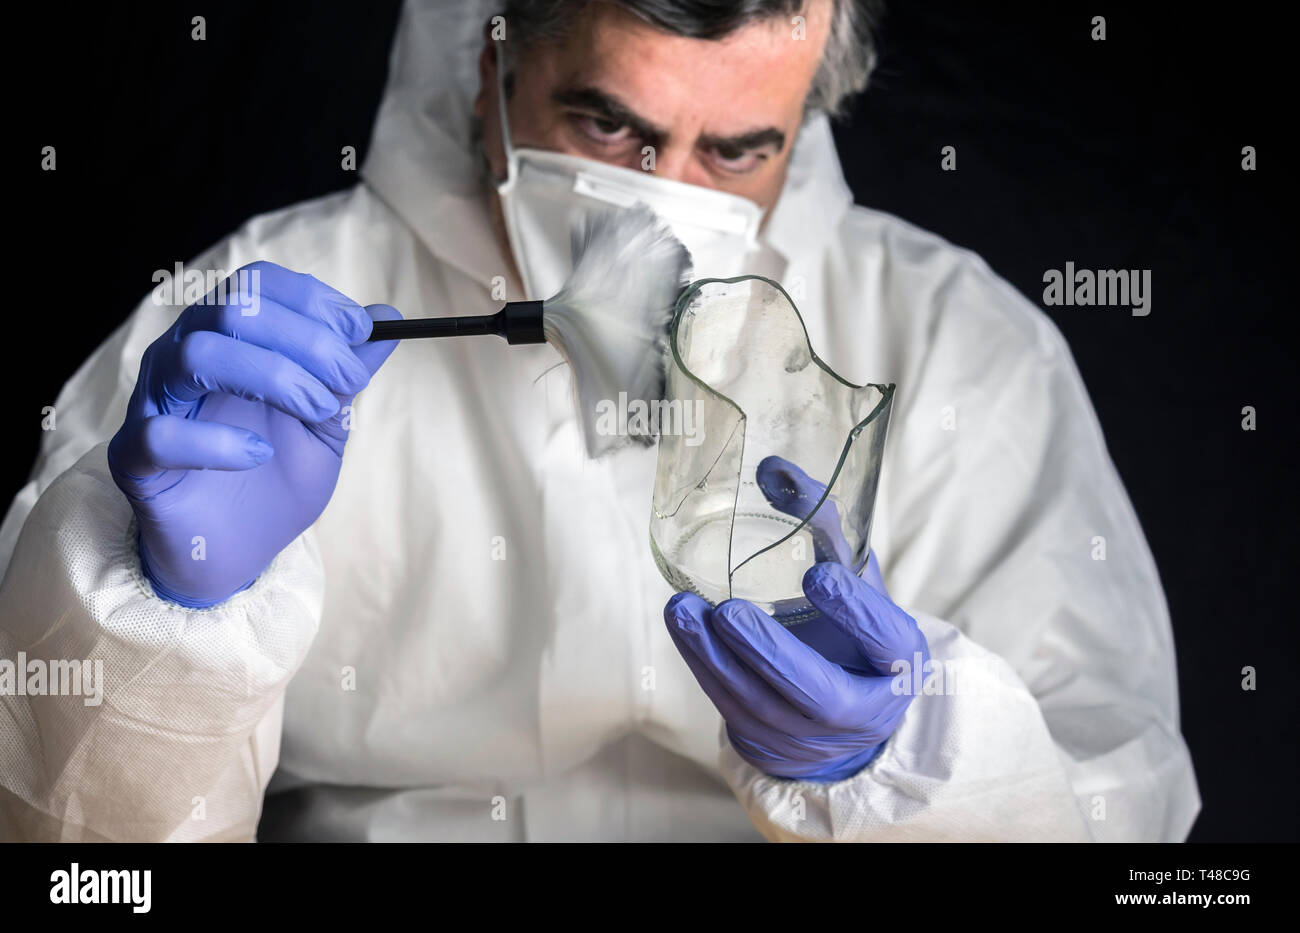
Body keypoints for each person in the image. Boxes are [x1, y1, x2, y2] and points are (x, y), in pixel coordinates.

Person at [0, 0, 1199, 842]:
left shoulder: (954, 344)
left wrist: (904, 769)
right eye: (611, 128)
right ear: (491, 64)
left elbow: (1120, 823)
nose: (665, 210)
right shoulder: (258, 324)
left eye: (738, 152)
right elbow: (81, 862)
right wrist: (162, 619)